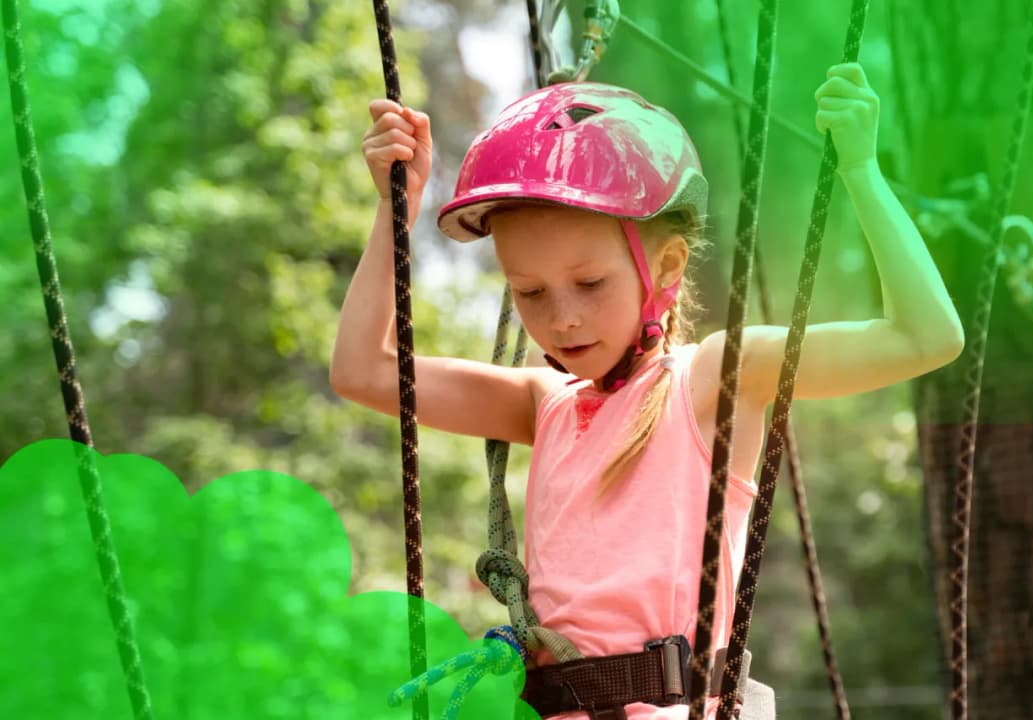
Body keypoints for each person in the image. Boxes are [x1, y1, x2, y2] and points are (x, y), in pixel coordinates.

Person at [331, 63, 964, 719]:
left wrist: (861, 170)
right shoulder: (543, 403)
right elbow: (366, 371)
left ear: (665, 268)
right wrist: (392, 213)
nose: (563, 316)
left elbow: (926, 337)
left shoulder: (711, 382)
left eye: (591, 283)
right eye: (531, 292)